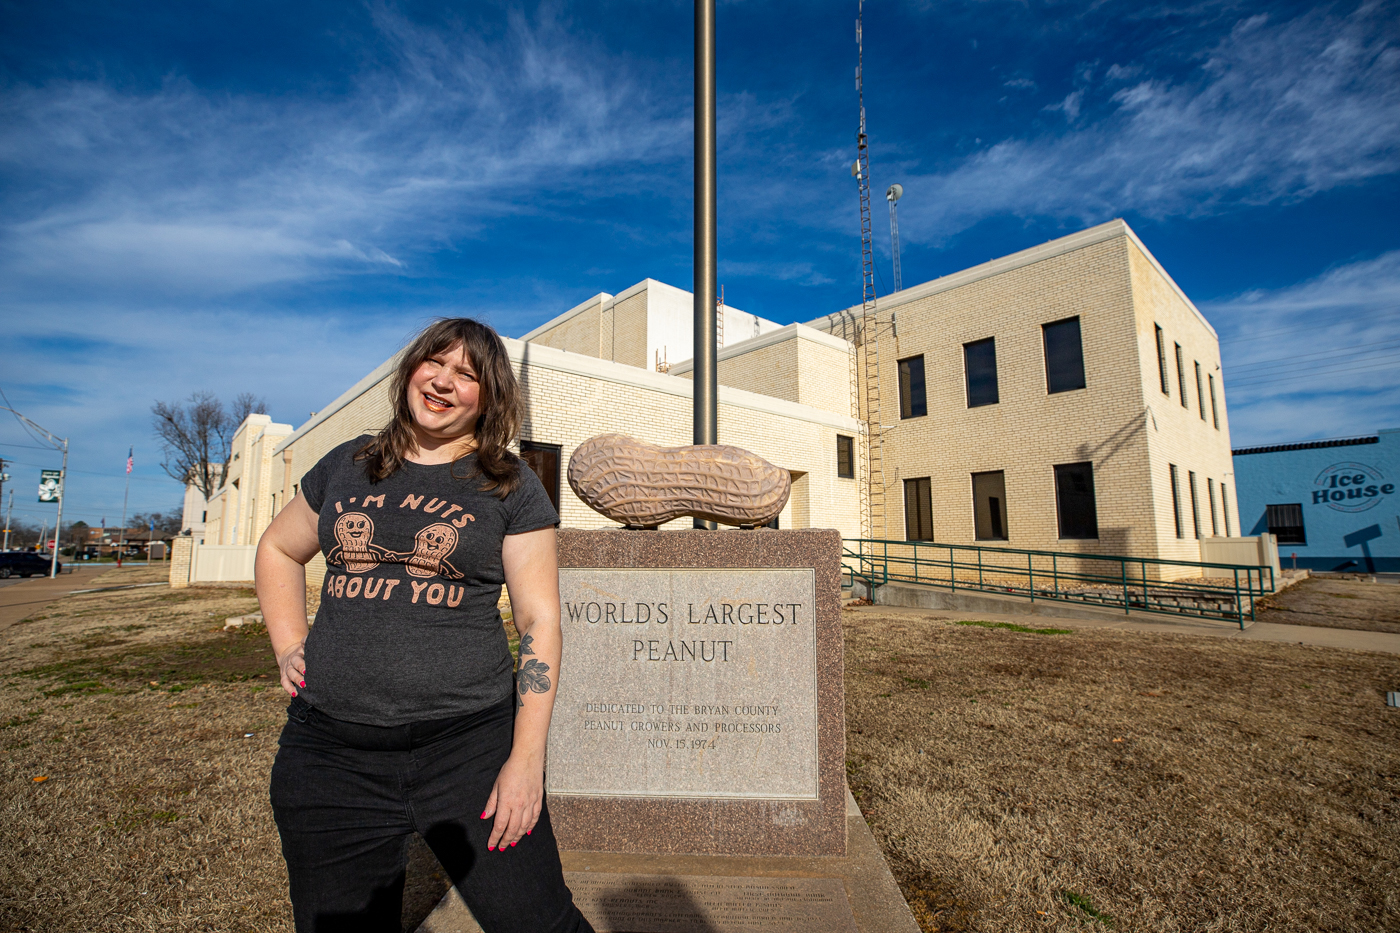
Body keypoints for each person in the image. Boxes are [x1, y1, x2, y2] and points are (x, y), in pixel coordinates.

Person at [255, 318, 594, 933]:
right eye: (434, 364)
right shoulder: (349, 464)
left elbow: (540, 620)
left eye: (467, 375)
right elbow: (278, 549)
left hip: (468, 751)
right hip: (330, 756)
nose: (443, 382)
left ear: (489, 397)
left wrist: (524, 760)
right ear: (411, 369)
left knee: (537, 924)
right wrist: (288, 643)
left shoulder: (509, 486)